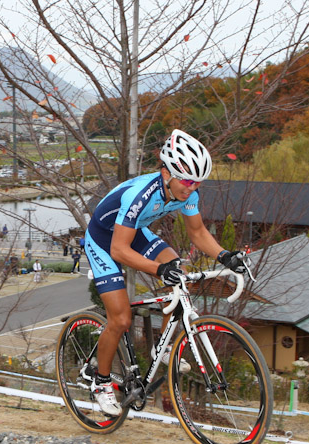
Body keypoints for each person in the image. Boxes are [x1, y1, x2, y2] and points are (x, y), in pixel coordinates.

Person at [84, 129, 249, 416]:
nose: (191, 187)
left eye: (197, 182)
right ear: (166, 172)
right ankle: (100, 382)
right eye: (186, 180)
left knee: (178, 270)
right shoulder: (141, 195)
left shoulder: (187, 193)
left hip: (133, 233)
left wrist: (225, 256)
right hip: (103, 239)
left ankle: (161, 346)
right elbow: (119, 251)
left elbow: (197, 232)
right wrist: (159, 269)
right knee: (121, 318)